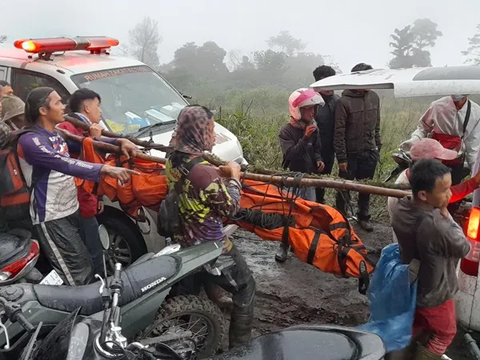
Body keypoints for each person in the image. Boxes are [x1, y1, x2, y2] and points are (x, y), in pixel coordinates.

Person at [17, 87, 137, 286]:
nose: (63, 106)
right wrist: (105, 170)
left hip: (72, 209)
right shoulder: (30, 140)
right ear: (43, 111)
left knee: (88, 262)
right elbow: (63, 163)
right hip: (51, 216)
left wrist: (120, 140)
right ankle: (80, 314)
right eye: (57, 102)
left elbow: (85, 143)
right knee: (76, 274)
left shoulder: (57, 134)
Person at [165, 105, 256, 349]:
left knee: (187, 296)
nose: (214, 135)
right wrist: (235, 176)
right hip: (211, 246)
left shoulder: (173, 158)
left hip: (183, 243)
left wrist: (217, 176)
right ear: (198, 131)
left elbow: (195, 187)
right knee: (246, 289)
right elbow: (231, 209)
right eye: (211, 129)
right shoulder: (203, 172)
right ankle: (240, 349)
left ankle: (178, 342)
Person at [391, 159, 470, 359]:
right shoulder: (437, 225)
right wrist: (445, 213)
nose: (449, 194)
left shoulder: (401, 207)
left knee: (416, 324)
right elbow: (464, 247)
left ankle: (398, 354)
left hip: (411, 281)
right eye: (444, 190)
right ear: (424, 195)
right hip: (435, 292)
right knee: (445, 333)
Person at [57, 88, 138, 274]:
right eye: (97, 105)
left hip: (85, 199)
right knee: (91, 249)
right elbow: (84, 158)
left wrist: (98, 196)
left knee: (93, 245)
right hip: (75, 202)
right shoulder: (67, 129)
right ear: (86, 107)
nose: (100, 111)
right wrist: (93, 139)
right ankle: (98, 288)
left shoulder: (83, 128)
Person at [387, 138, 480, 242]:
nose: (443, 164)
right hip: (418, 248)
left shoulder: (411, 176)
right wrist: (473, 183)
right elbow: (447, 195)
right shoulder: (412, 194)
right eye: (439, 162)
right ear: (428, 165)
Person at [276, 88, 325, 262]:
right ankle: (284, 245)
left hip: (309, 177)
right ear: (297, 110)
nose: (312, 112)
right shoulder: (286, 131)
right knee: (289, 213)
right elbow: (290, 155)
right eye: (308, 109)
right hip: (292, 178)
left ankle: (302, 246)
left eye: (314, 109)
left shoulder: (313, 128)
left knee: (307, 211)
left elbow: (317, 149)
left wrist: (318, 159)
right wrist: (304, 138)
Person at [334, 63, 381, 232]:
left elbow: (377, 125)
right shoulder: (344, 102)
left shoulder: (374, 97)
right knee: (344, 187)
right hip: (350, 154)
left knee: (365, 187)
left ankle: (363, 216)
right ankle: (340, 217)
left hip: (369, 151)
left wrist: (377, 147)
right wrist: (341, 158)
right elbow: (338, 132)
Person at [312, 65, 340, 204]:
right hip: (312, 148)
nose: (329, 86)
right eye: (325, 82)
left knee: (325, 177)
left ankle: (321, 202)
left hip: (331, 148)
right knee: (311, 179)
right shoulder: (311, 101)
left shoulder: (338, 100)